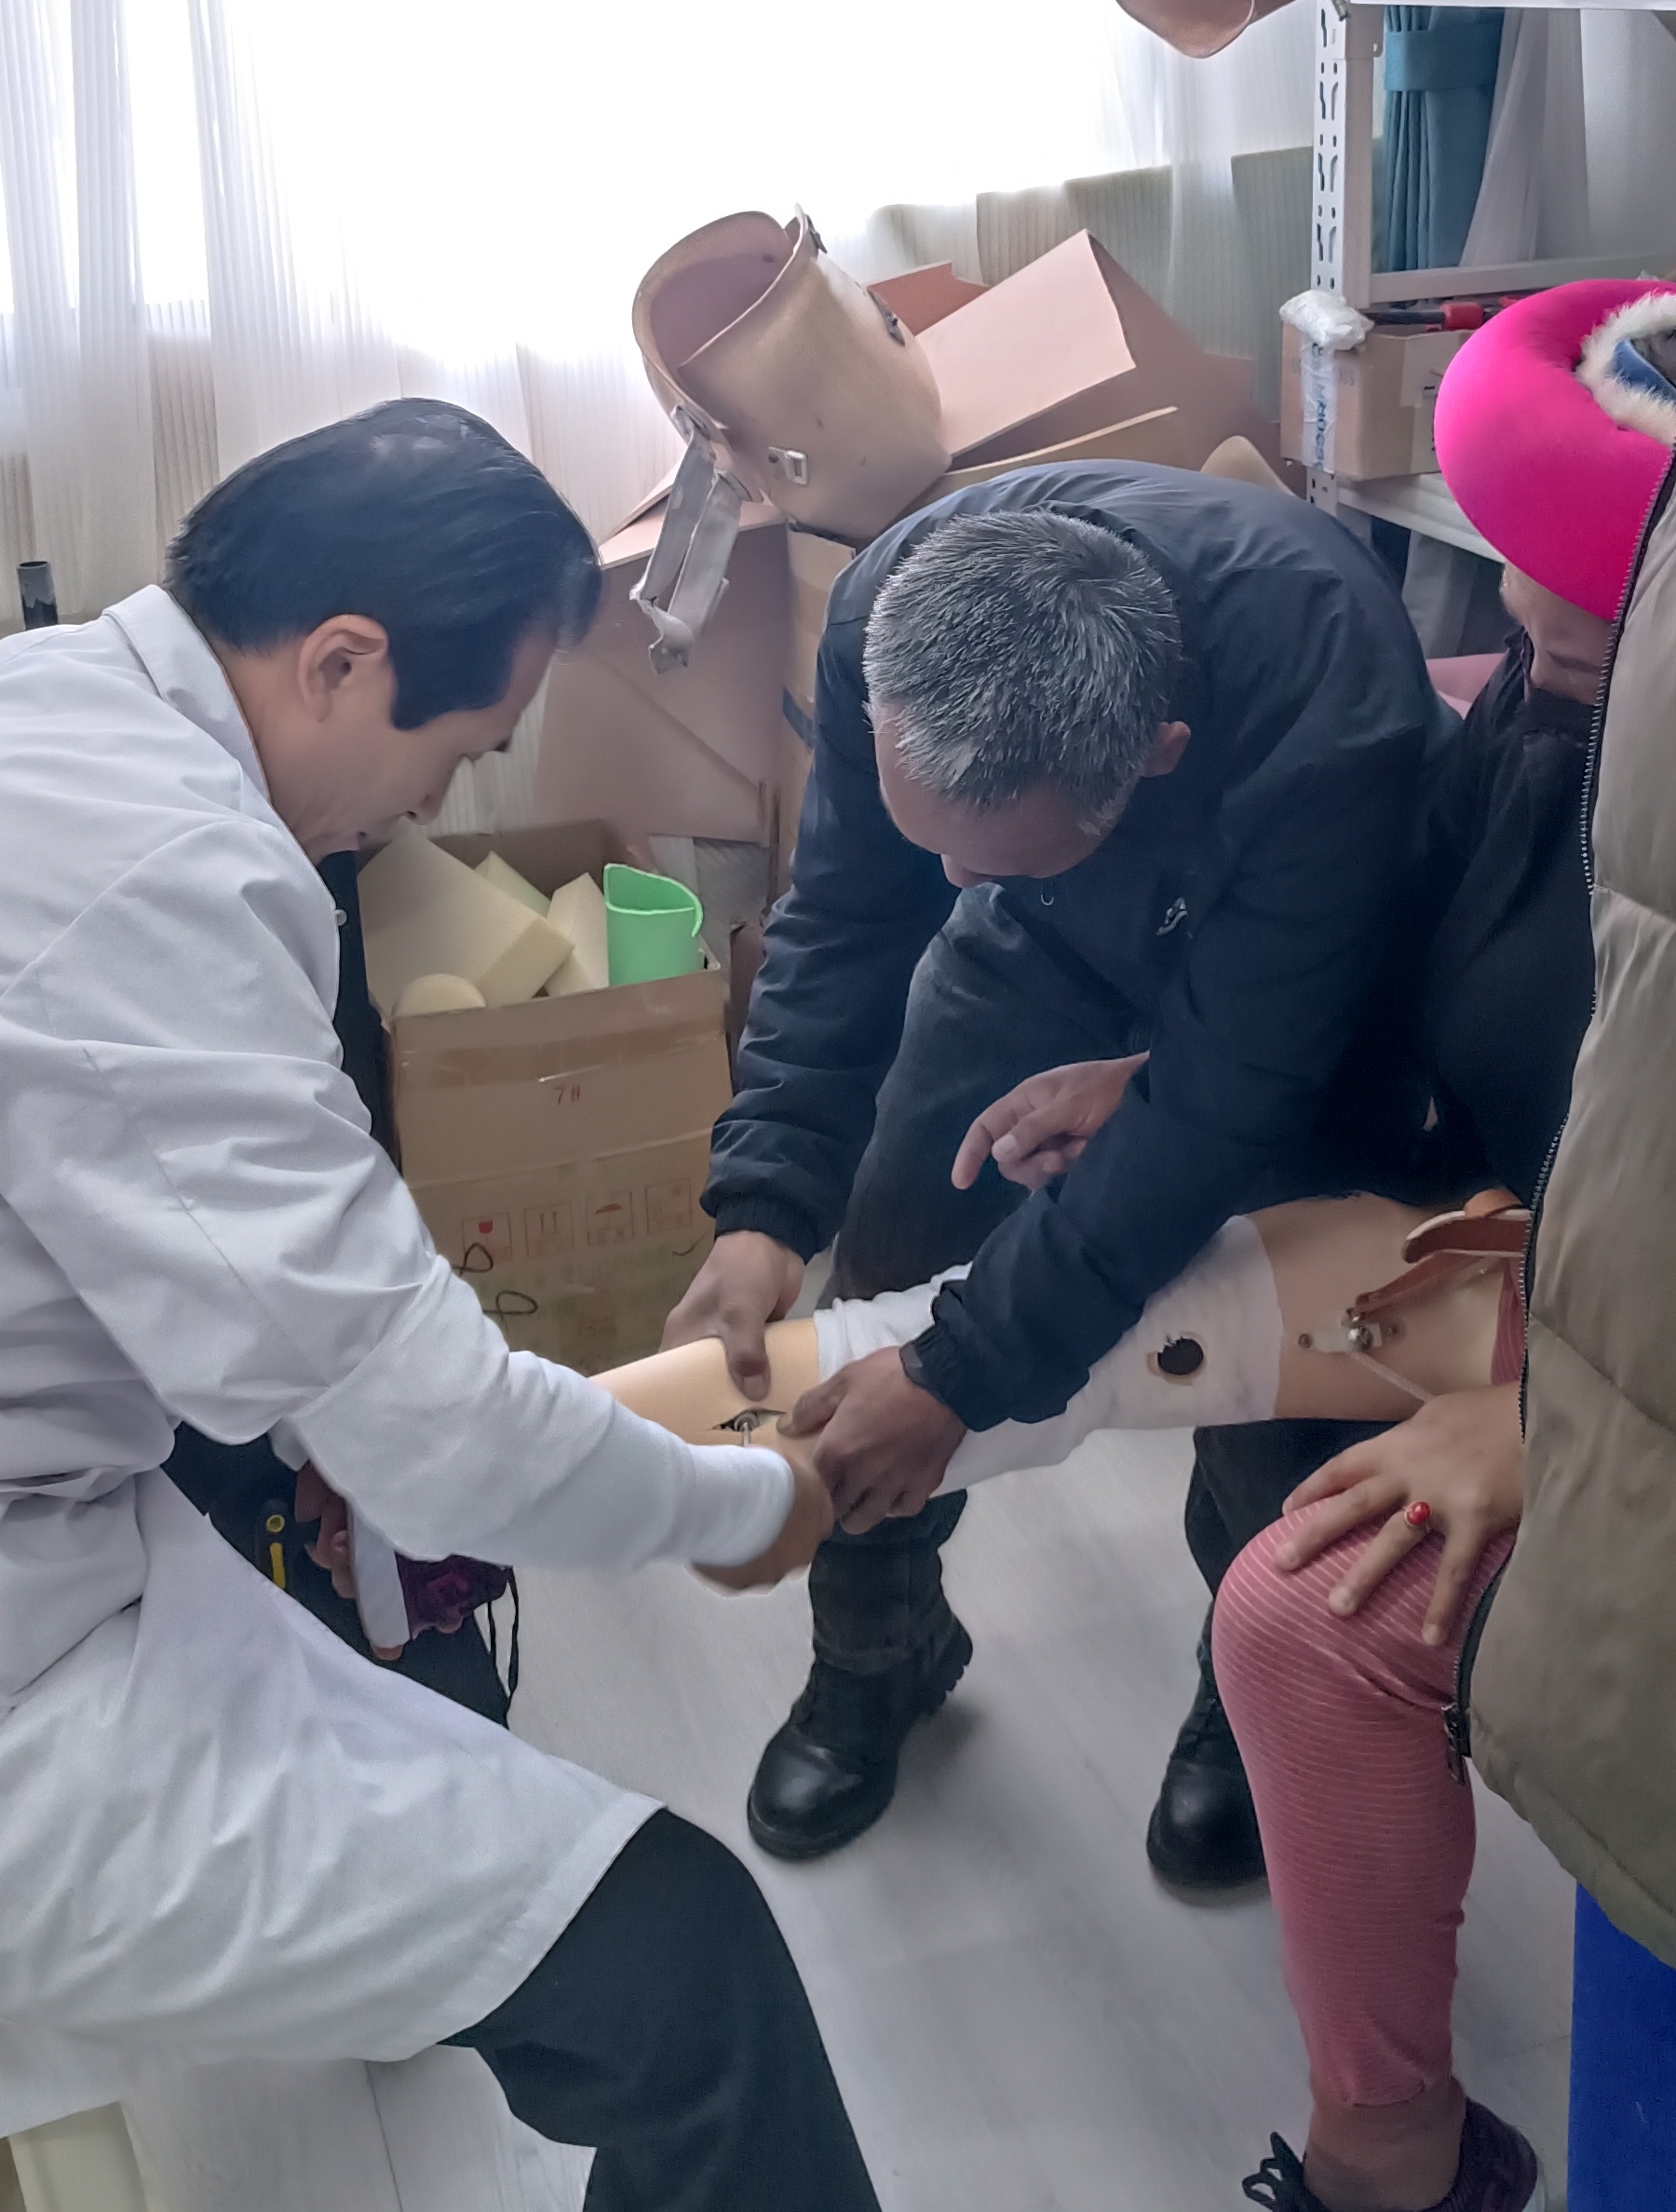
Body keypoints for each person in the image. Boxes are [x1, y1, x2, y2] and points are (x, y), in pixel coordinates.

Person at [0, 398, 880, 2212]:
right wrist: (749, 1504)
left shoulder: (55, 709)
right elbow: (437, 1431)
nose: (432, 809)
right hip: (35, 1636)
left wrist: (313, 1405)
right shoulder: (172, 872)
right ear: (339, 659)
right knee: (685, 1974)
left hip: (76, 1527)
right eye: (455, 752)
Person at [663, 458, 1440, 1866]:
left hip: (1293, 977)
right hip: (1049, 942)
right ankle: (881, 1651)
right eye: (938, 847)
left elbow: (1219, 1108)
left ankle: (1246, 1690)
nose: (947, 887)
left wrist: (961, 1377)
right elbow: (844, 922)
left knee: (1263, 1349)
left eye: (986, 858)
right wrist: (765, 1206)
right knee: (885, 1271)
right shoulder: (886, 615)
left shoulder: (1334, 705)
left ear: (1156, 754)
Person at [1208, 281, 1676, 2212]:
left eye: (1586, 614)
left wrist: (1552, 1401)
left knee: (1306, 1617)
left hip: (1603, 1328)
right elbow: (1401, 964)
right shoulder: (1537, 720)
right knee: (1220, 1318)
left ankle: (1391, 2157)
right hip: (1557, 1269)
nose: (1531, 642)